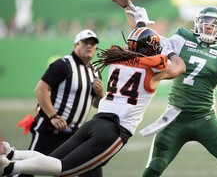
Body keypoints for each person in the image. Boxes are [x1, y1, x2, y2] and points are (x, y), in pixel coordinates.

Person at [0, 24, 186, 176]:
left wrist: (131, 12)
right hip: (114, 129)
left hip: (95, 121)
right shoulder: (153, 71)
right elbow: (180, 67)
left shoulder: (116, 60)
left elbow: (136, 44)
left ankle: (11, 153)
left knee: (53, 159)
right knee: (62, 169)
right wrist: (170, 51)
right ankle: (9, 168)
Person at [111, 0, 217, 177]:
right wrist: (128, 6)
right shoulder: (181, 38)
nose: (208, 26)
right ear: (198, 23)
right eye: (205, 22)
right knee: (154, 167)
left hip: (205, 118)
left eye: (213, 23)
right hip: (175, 117)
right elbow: (144, 38)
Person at [17, 29, 105, 177]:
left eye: (92, 44)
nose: (89, 46)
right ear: (75, 45)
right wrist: (53, 116)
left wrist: (101, 94)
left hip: (77, 133)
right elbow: (41, 90)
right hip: (51, 129)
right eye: (85, 43)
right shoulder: (63, 65)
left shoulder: (95, 71)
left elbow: (96, 104)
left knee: (91, 168)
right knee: (27, 169)